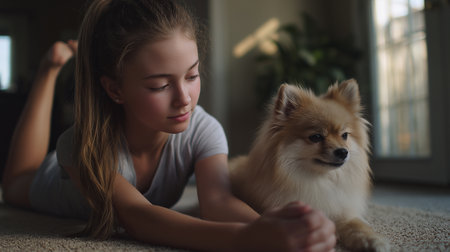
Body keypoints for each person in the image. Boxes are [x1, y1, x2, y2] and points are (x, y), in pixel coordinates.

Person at [1, 0, 336, 251]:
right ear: (115, 89)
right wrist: (248, 239)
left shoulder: (204, 129)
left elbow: (217, 202)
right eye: (160, 86)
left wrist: (273, 227)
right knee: (15, 184)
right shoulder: (81, 145)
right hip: (53, 180)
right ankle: (49, 69)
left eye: (192, 75)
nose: (184, 99)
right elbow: (137, 217)